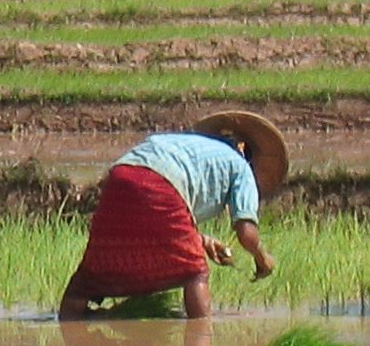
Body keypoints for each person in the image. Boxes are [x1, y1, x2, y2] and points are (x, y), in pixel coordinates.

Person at [59, 112, 285, 320]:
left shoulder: (184, 143)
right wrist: (262, 257)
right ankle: (201, 345)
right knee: (194, 272)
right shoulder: (242, 167)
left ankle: (70, 318)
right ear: (249, 155)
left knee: (87, 280)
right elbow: (246, 230)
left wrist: (202, 241)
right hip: (161, 185)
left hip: (119, 179)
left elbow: (161, 219)